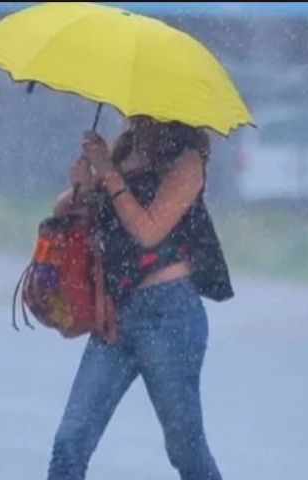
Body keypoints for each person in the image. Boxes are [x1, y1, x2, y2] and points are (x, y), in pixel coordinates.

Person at [47, 114, 234, 480]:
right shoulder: (122, 151)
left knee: (185, 450)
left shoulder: (186, 161)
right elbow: (62, 212)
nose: (136, 114)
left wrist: (109, 174)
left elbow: (148, 231)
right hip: (116, 314)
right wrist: (82, 187)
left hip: (169, 315)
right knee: (71, 440)